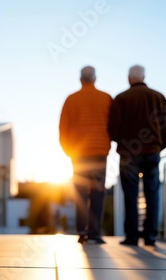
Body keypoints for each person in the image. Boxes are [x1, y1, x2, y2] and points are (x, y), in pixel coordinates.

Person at [109, 65, 166, 246]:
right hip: (152, 151)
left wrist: (122, 142)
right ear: (143, 77)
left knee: (130, 195)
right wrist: (160, 145)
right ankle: (150, 236)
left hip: (129, 153)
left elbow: (113, 129)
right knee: (152, 194)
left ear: (129, 79)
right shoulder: (158, 97)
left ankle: (132, 236)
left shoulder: (121, 99)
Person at [59, 66, 112, 244]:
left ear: (80, 79)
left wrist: (68, 150)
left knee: (80, 193)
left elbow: (63, 128)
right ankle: (95, 232)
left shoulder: (71, 99)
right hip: (99, 152)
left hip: (79, 154)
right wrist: (107, 145)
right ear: (95, 79)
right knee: (98, 192)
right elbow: (112, 125)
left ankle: (82, 232)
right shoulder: (106, 98)